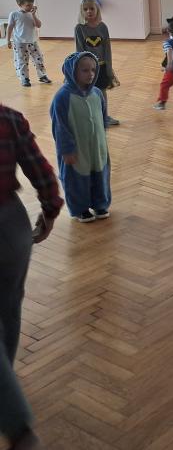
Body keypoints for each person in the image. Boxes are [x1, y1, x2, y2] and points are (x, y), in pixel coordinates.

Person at [0, 104, 63, 450]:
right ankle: (5, 376)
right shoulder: (7, 117)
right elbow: (40, 169)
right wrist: (50, 210)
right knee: (9, 307)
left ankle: (18, 428)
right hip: (11, 226)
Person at [50, 52, 112, 223]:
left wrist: (103, 139)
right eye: (85, 70)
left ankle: (100, 203)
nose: (90, 74)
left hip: (97, 146)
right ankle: (80, 208)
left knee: (100, 175)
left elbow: (103, 118)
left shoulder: (97, 93)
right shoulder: (62, 97)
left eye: (93, 70)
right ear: (72, 71)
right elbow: (60, 127)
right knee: (76, 178)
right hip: (76, 149)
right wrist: (66, 150)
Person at [74, 0, 119, 126]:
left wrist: (109, 67)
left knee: (102, 92)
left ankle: (104, 117)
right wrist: (81, 68)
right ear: (82, 11)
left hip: (101, 66)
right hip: (88, 68)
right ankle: (91, 118)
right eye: (86, 9)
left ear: (97, 9)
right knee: (88, 93)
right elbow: (79, 50)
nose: (89, 11)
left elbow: (107, 48)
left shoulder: (102, 27)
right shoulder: (79, 28)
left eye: (92, 8)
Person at [6, 0, 50, 87]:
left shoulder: (31, 14)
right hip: (20, 43)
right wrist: (8, 40)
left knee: (39, 59)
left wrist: (33, 15)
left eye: (32, 4)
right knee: (22, 61)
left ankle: (42, 75)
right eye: (28, 5)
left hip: (33, 41)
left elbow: (38, 25)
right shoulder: (14, 14)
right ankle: (24, 78)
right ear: (19, 4)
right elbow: (10, 27)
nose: (31, 7)